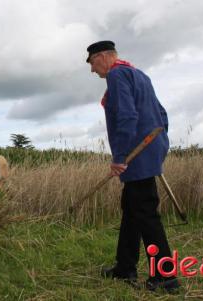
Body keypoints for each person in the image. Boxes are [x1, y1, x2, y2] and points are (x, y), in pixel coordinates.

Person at [86, 40, 179, 292]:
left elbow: (127, 116)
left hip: (137, 155)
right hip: (148, 150)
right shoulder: (140, 75)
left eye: (93, 62)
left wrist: (120, 156)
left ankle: (166, 277)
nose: (92, 70)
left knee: (146, 214)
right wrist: (159, 144)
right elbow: (162, 114)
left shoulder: (117, 75)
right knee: (131, 208)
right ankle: (124, 267)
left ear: (104, 56)